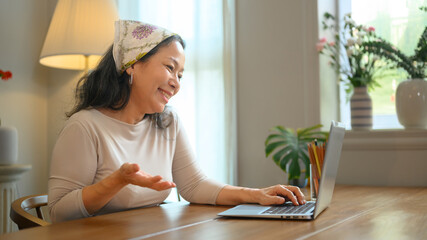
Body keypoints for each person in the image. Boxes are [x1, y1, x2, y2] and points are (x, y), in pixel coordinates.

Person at [48, 20, 306, 223]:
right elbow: (58, 211)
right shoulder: (84, 127)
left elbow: (194, 185)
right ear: (132, 64)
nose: (176, 83)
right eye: (170, 68)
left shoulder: (168, 121)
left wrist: (256, 195)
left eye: (180, 75)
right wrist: (117, 181)